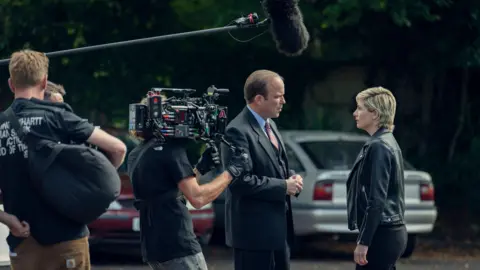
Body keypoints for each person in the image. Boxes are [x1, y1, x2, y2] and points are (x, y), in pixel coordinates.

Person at [0, 49, 127, 269]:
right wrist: (95, 182)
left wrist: (8, 220)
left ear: (11, 84)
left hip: (23, 242)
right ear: (44, 81)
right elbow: (118, 148)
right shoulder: (59, 117)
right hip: (68, 238)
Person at [127, 120, 251, 270]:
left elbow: (169, 191)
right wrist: (232, 171)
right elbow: (198, 198)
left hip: (153, 246)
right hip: (178, 244)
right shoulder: (171, 150)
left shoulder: (138, 153)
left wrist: (199, 168)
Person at [221, 69, 304, 270]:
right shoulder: (237, 131)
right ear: (258, 99)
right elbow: (239, 181)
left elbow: (274, 165)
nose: (283, 101)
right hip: (254, 236)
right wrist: (283, 186)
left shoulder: (271, 125)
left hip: (278, 233)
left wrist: (291, 176)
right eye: (277, 96)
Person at [347, 86, 407, 269]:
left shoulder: (379, 145)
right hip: (390, 231)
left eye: (360, 108)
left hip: (382, 234)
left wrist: (364, 242)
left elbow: (377, 199)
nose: (355, 113)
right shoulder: (386, 141)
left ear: (375, 114)